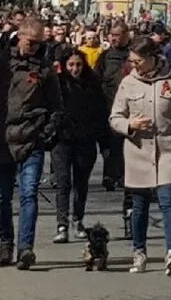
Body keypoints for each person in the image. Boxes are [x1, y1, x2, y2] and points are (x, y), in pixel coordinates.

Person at [0, 17, 63, 269]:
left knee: (29, 193)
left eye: (39, 43)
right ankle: (6, 244)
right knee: (3, 196)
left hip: (32, 139)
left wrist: (47, 133)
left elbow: (56, 106)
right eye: (31, 42)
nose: (34, 48)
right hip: (3, 138)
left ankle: (25, 248)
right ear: (19, 37)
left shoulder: (44, 69)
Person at [110, 35, 171, 276]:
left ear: (151, 58)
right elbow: (114, 117)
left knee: (168, 201)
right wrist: (130, 124)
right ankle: (139, 252)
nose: (134, 65)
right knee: (139, 206)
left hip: (169, 150)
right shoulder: (128, 83)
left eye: (138, 61)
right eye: (132, 61)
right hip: (138, 151)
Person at [52, 50, 109, 244]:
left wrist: (103, 140)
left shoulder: (92, 85)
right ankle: (62, 224)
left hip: (85, 141)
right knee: (63, 183)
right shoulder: (58, 85)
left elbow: (101, 113)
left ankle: (78, 219)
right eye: (71, 65)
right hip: (62, 141)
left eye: (78, 64)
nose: (75, 69)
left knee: (81, 183)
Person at [98, 22, 132, 194]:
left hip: (129, 108)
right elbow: (97, 80)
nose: (113, 38)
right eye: (112, 34)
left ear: (126, 35)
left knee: (125, 143)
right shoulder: (105, 57)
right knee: (109, 144)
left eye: (117, 34)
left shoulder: (133, 56)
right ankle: (109, 175)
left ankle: (124, 175)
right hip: (108, 105)